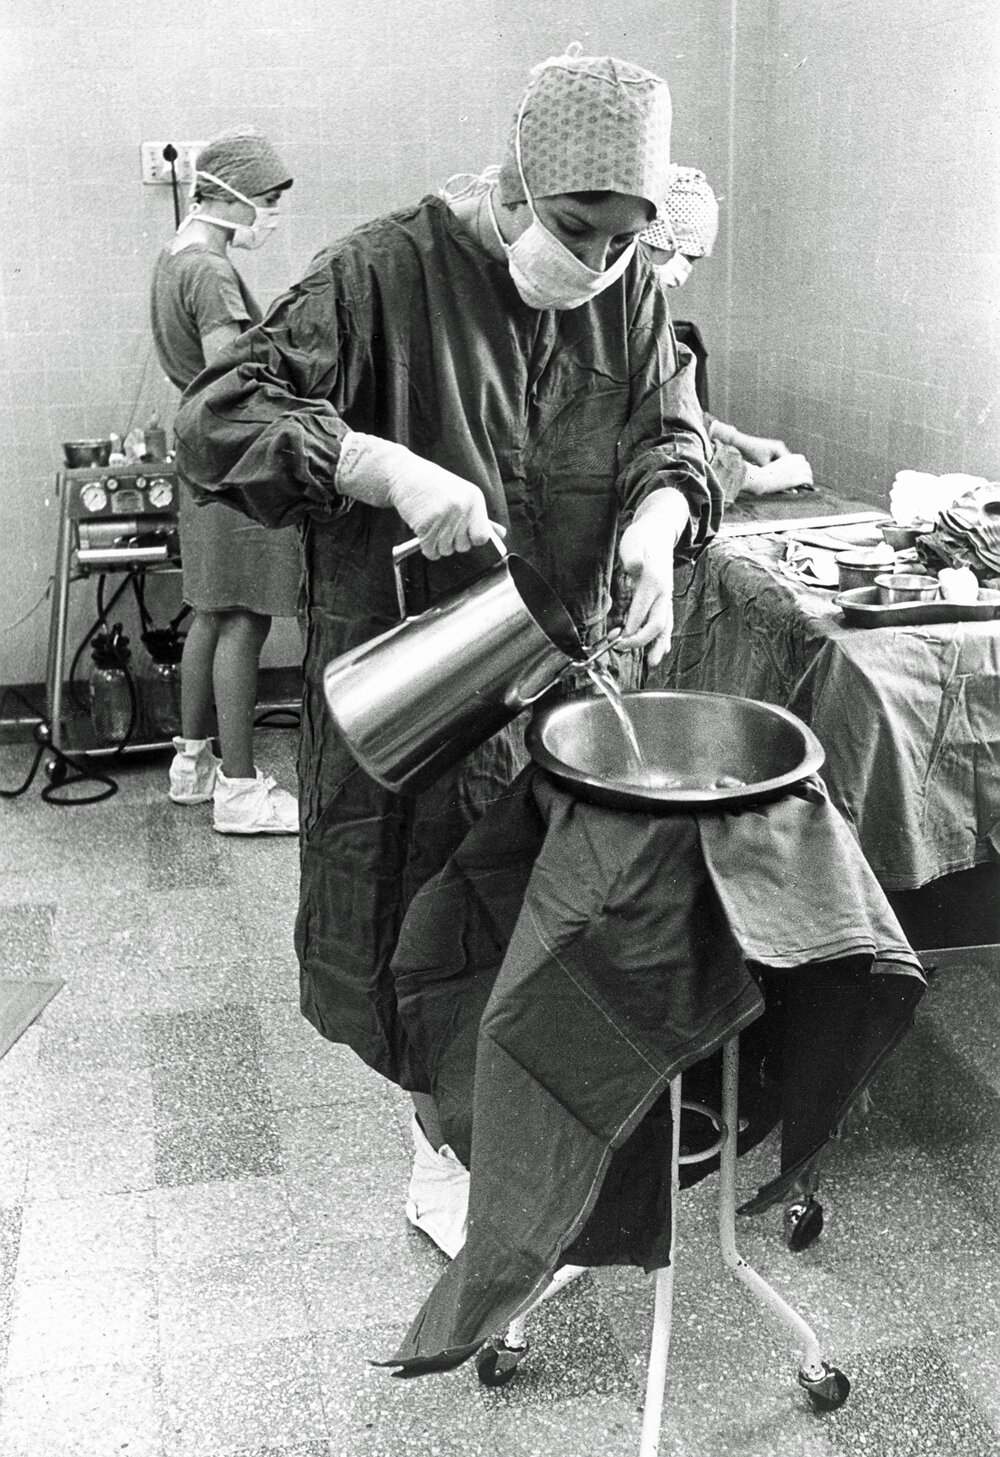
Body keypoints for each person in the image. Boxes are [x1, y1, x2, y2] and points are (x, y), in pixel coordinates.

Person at [174, 50, 723, 1252]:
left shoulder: (621, 290)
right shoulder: (379, 276)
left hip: (564, 683)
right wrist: (374, 463)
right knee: (418, 935)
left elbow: (665, 426)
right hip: (411, 681)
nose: (595, 261)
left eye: (625, 239)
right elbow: (218, 419)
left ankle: (529, 1142)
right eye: (577, 228)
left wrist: (655, 520)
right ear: (519, 183)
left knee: (549, 928)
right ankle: (439, 1150)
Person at [150, 127, 300, 835]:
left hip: (195, 446)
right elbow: (231, 380)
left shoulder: (173, 255)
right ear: (230, 194)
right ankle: (240, 791)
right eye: (266, 201)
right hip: (231, 452)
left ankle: (193, 764)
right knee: (245, 614)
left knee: (210, 609)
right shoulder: (210, 270)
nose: (269, 215)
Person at [640, 165, 815, 502]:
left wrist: (736, 439)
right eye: (683, 256)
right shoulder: (616, 313)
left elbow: (667, 407)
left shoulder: (643, 308)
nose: (682, 274)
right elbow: (662, 438)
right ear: (654, 236)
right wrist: (757, 479)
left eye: (694, 259)